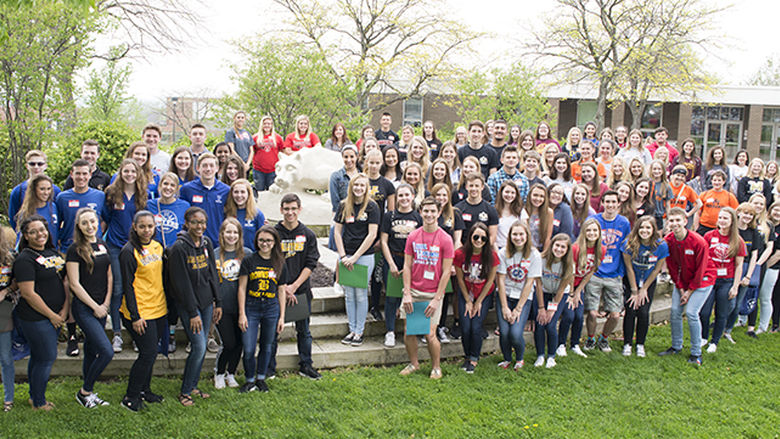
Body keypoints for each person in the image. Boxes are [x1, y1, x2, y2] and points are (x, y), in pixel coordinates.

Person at [168, 207, 221, 406]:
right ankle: (184, 392)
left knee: (201, 348)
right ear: (187, 223)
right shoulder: (179, 248)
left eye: (203, 222)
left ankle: (193, 386)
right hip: (190, 306)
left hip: (207, 303)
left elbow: (212, 274)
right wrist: (192, 313)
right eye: (195, 222)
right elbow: (181, 284)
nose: (200, 226)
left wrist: (218, 302)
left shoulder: (206, 242)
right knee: (199, 346)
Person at [14, 215, 68, 411]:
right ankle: (39, 402)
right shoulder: (24, 259)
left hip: (55, 315)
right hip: (36, 318)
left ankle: (34, 396)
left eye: (42, 229)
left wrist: (63, 310)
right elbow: (28, 293)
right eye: (33, 231)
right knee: (46, 357)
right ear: (26, 236)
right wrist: (52, 315)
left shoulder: (52, 252)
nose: (40, 234)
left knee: (38, 357)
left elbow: (64, 281)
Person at [267, 194, 321, 380]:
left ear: (299, 209)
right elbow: (268, 261)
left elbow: (311, 263)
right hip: (276, 291)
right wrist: (283, 287)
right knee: (273, 331)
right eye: (286, 209)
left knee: (304, 331)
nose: (290, 212)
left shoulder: (308, 234)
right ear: (281, 210)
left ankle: (306, 366)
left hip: (301, 292)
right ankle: (269, 368)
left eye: (293, 209)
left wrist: (294, 286)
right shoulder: (273, 233)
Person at [398, 196, 454, 379]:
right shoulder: (413, 236)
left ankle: (436, 366)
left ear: (439, 213)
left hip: (433, 293)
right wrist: (406, 293)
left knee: (430, 333)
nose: (429, 214)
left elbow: (446, 272)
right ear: (420, 212)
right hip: (413, 290)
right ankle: (414, 363)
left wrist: (437, 299)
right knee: (409, 331)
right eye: (426, 211)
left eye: (433, 211)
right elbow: (407, 266)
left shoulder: (445, 239)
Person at [117, 211, 167, 411]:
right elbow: (127, 286)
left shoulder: (157, 246)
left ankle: (145, 390)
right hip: (139, 311)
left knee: (152, 354)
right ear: (134, 227)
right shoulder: (128, 251)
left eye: (150, 226)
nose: (147, 230)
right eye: (142, 227)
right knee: (147, 354)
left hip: (158, 308)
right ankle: (130, 397)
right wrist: (135, 316)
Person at [66, 208, 113, 408]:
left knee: (92, 349)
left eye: (92, 221)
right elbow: (74, 284)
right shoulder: (74, 249)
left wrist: (106, 304)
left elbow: (109, 276)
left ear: (97, 222)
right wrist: (95, 306)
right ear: (78, 225)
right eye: (84, 223)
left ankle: (89, 394)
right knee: (106, 351)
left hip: (102, 306)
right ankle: (84, 391)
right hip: (85, 308)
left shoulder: (103, 244)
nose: (90, 226)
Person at [659, 207, 717, 366]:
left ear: (685, 221)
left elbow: (701, 269)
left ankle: (696, 352)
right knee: (675, 311)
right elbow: (671, 266)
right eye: (672, 220)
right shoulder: (668, 241)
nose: (675, 223)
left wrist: (690, 291)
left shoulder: (698, 241)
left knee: (691, 313)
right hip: (683, 281)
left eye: (678, 220)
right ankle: (676, 346)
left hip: (703, 279)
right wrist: (680, 288)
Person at [102, 159, 148, 354]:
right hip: (114, 246)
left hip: (135, 247)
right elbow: (105, 219)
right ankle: (117, 333)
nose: (129, 174)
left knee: (135, 287)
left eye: (133, 171)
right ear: (120, 172)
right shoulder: (112, 193)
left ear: (138, 173)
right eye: (126, 171)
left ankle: (136, 332)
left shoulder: (143, 194)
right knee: (118, 288)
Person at [238, 226, 288, 393]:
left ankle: (261, 378)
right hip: (251, 306)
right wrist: (242, 313)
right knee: (249, 347)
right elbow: (242, 288)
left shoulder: (279, 262)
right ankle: (249, 380)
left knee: (267, 345)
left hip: (271, 307)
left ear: (274, 242)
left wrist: (282, 317)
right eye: (261, 240)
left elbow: (281, 290)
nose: (264, 243)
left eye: (268, 240)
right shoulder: (249, 260)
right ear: (256, 241)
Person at [334, 174, 380, 346]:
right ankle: (351, 329)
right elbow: (337, 232)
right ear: (351, 186)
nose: (358, 188)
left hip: (364, 256)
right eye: (356, 185)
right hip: (346, 255)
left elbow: (372, 235)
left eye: (362, 185)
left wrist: (355, 257)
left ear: (366, 187)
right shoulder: (343, 206)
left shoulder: (372, 207)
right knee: (349, 294)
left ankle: (359, 331)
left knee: (360, 294)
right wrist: (343, 255)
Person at [583, 191, 631, 352]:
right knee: (592, 313)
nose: (610, 205)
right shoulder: (593, 220)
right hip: (594, 273)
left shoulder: (623, 223)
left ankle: (604, 338)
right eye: (607, 202)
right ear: (602, 202)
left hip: (614, 274)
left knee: (616, 315)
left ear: (619, 204)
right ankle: (590, 339)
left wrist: (621, 273)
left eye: (613, 202)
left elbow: (625, 248)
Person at [454, 223, 499, 373]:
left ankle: (474, 358)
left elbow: (491, 280)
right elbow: (460, 279)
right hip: (466, 293)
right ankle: (467, 356)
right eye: (476, 237)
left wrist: (478, 302)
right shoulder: (461, 254)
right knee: (465, 326)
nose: (479, 240)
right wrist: (468, 300)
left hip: (484, 294)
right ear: (470, 237)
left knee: (476, 326)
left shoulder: (491, 256)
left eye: (483, 238)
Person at [621, 216, 668, 357]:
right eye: (641, 227)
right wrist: (634, 290)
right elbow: (628, 268)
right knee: (631, 310)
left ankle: (640, 344)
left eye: (648, 227)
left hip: (648, 282)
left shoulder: (661, 246)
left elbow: (656, 270)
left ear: (653, 230)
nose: (644, 230)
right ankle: (627, 343)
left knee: (643, 312)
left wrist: (644, 289)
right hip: (631, 281)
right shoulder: (628, 244)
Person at [379, 185, 421, 347]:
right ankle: (390, 332)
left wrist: (411, 265)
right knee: (391, 298)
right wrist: (391, 264)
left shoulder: (418, 217)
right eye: (400, 195)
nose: (404, 198)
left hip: (413, 262)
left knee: (414, 296)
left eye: (407, 195)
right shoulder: (389, 216)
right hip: (393, 260)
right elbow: (383, 241)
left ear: (412, 196)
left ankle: (416, 330)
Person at [496, 221, 540, 370]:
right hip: (505, 296)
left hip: (523, 298)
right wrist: (504, 307)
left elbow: (529, 283)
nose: (518, 237)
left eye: (521, 234)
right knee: (504, 331)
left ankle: (520, 359)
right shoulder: (503, 253)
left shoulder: (534, 255)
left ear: (527, 236)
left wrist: (518, 309)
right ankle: (507, 359)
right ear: (510, 236)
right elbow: (500, 280)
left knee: (515, 333)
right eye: (515, 234)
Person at [212, 218, 248, 389]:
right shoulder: (214, 254)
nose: (231, 235)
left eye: (235, 232)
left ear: (240, 235)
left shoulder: (246, 254)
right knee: (228, 342)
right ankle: (219, 372)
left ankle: (231, 373)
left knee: (240, 342)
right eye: (228, 232)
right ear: (222, 234)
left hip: (242, 307)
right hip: (222, 307)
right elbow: (209, 282)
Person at [558, 218, 602, 358]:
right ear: (583, 232)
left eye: (595, 230)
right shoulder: (576, 248)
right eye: (588, 230)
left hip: (579, 286)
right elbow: (570, 273)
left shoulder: (601, 249)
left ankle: (575, 344)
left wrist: (579, 291)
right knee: (569, 315)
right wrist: (571, 293)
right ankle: (561, 344)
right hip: (567, 284)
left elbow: (591, 271)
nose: (592, 233)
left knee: (579, 316)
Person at [724, 204, 762, 343]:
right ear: (738, 212)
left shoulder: (754, 233)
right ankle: (719, 325)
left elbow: (754, 256)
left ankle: (728, 330)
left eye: (750, 214)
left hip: (745, 268)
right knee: (727, 300)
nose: (747, 216)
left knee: (737, 303)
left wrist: (748, 276)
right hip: (730, 268)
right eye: (745, 213)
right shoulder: (731, 230)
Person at [534, 233, 573, 368]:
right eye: (557, 245)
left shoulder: (568, 265)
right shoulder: (541, 259)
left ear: (567, 250)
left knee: (550, 325)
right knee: (539, 323)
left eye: (563, 247)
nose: (559, 249)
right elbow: (538, 284)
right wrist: (541, 308)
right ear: (552, 245)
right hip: (542, 293)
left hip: (558, 295)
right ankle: (540, 355)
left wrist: (551, 310)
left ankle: (551, 356)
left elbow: (561, 289)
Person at [432, 183, 465, 341]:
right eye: (438, 195)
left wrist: (452, 263)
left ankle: (441, 326)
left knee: (443, 295)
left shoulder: (455, 213)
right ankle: (429, 328)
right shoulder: (430, 212)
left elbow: (457, 240)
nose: (441, 198)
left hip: (447, 261)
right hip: (431, 260)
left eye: (444, 195)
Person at [56, 159, 106, 252]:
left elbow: (107, 219)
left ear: (90, 175)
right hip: (69, 247)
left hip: (93, 247)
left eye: (84, 173)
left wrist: (99, 232)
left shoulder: (100, 196)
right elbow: (56, 223)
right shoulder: (62, 198)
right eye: (78, 173)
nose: (81, 177)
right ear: (72, 174)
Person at [180, 153, 231, 245]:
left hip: (217, 241)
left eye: (211, 166)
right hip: (193, 241)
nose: (208, 169)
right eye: (204, 166)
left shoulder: (226, 190)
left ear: (217, 168)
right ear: (198, 168)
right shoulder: (187, 189)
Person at [8, 150, 61, 231]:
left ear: (45, 166)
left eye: (40, 164)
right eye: (32, 164)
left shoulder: (55, 190)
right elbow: (13, 219)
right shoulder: (18, 191)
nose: (36, 167)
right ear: (27, 166)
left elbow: (60, 217)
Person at [455, 173, 499, 246]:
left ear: (482, 187)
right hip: (464, 251)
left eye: (477, 186)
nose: (474, 189)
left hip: (483, 250)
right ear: (466, 187)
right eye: (471, 186)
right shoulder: (458, 209)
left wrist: (481, 250)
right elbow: (457, 238)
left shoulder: (491, 210)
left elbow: (492, 236)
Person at [13, 174, 59, 244]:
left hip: (52, 251)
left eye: (49, 189)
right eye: (42, 189)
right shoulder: (27, 211)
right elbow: (21, 238)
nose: (46, 193)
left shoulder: (53, 206)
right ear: (34, 189)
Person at [224, 179, 266, 251]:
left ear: (248, 194)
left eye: (242, 192)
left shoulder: (257, 214)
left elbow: (262, 238)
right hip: (231, 256)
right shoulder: (226, 213)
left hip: (251, 256)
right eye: (236, 192)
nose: (239, 195)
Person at [0, 226, 16, 412]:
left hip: (3, 310)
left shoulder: (10, 257)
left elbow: (16, 281)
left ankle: (8, 400)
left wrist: (6, 291)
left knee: (5, 357)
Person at [694, 170, 738, 236]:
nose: (717, 182)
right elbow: (697, 213)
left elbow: (735, 213)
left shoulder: (730, 196)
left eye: (719, 180)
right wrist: (696, 228)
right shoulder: (704, 194)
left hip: (721, 227)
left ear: (724, 181)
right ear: (711, 181)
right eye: (714, 180)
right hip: (704, 227)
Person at [251, 116, 285, 192]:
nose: (267, 125)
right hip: (259, 170)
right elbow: (251, 151)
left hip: (273, 170)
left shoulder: (278, 137)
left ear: (272, 125)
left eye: (269, 124)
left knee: (272, 192)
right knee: (259, 192)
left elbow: (282, 151)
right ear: (261, 125)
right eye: (265, 123)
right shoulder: (255, 137)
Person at [495, 181, 528, 250]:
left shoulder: (521, 211)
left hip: (516, 248)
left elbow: (525, 232)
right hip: (499, 248)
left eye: (513, 193)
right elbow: (492, 236)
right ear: (501, 193)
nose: (509, 195)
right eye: (507, 192)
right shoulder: (495, 211)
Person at [525, 183, 554, 252]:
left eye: (541, 196)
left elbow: (548, 237)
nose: (538, 199)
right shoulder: (523, 211)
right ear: (530, 196)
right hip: (525, 250)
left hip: (540, 250)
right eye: (535, 195)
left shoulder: (549, 212)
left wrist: (543, 254)